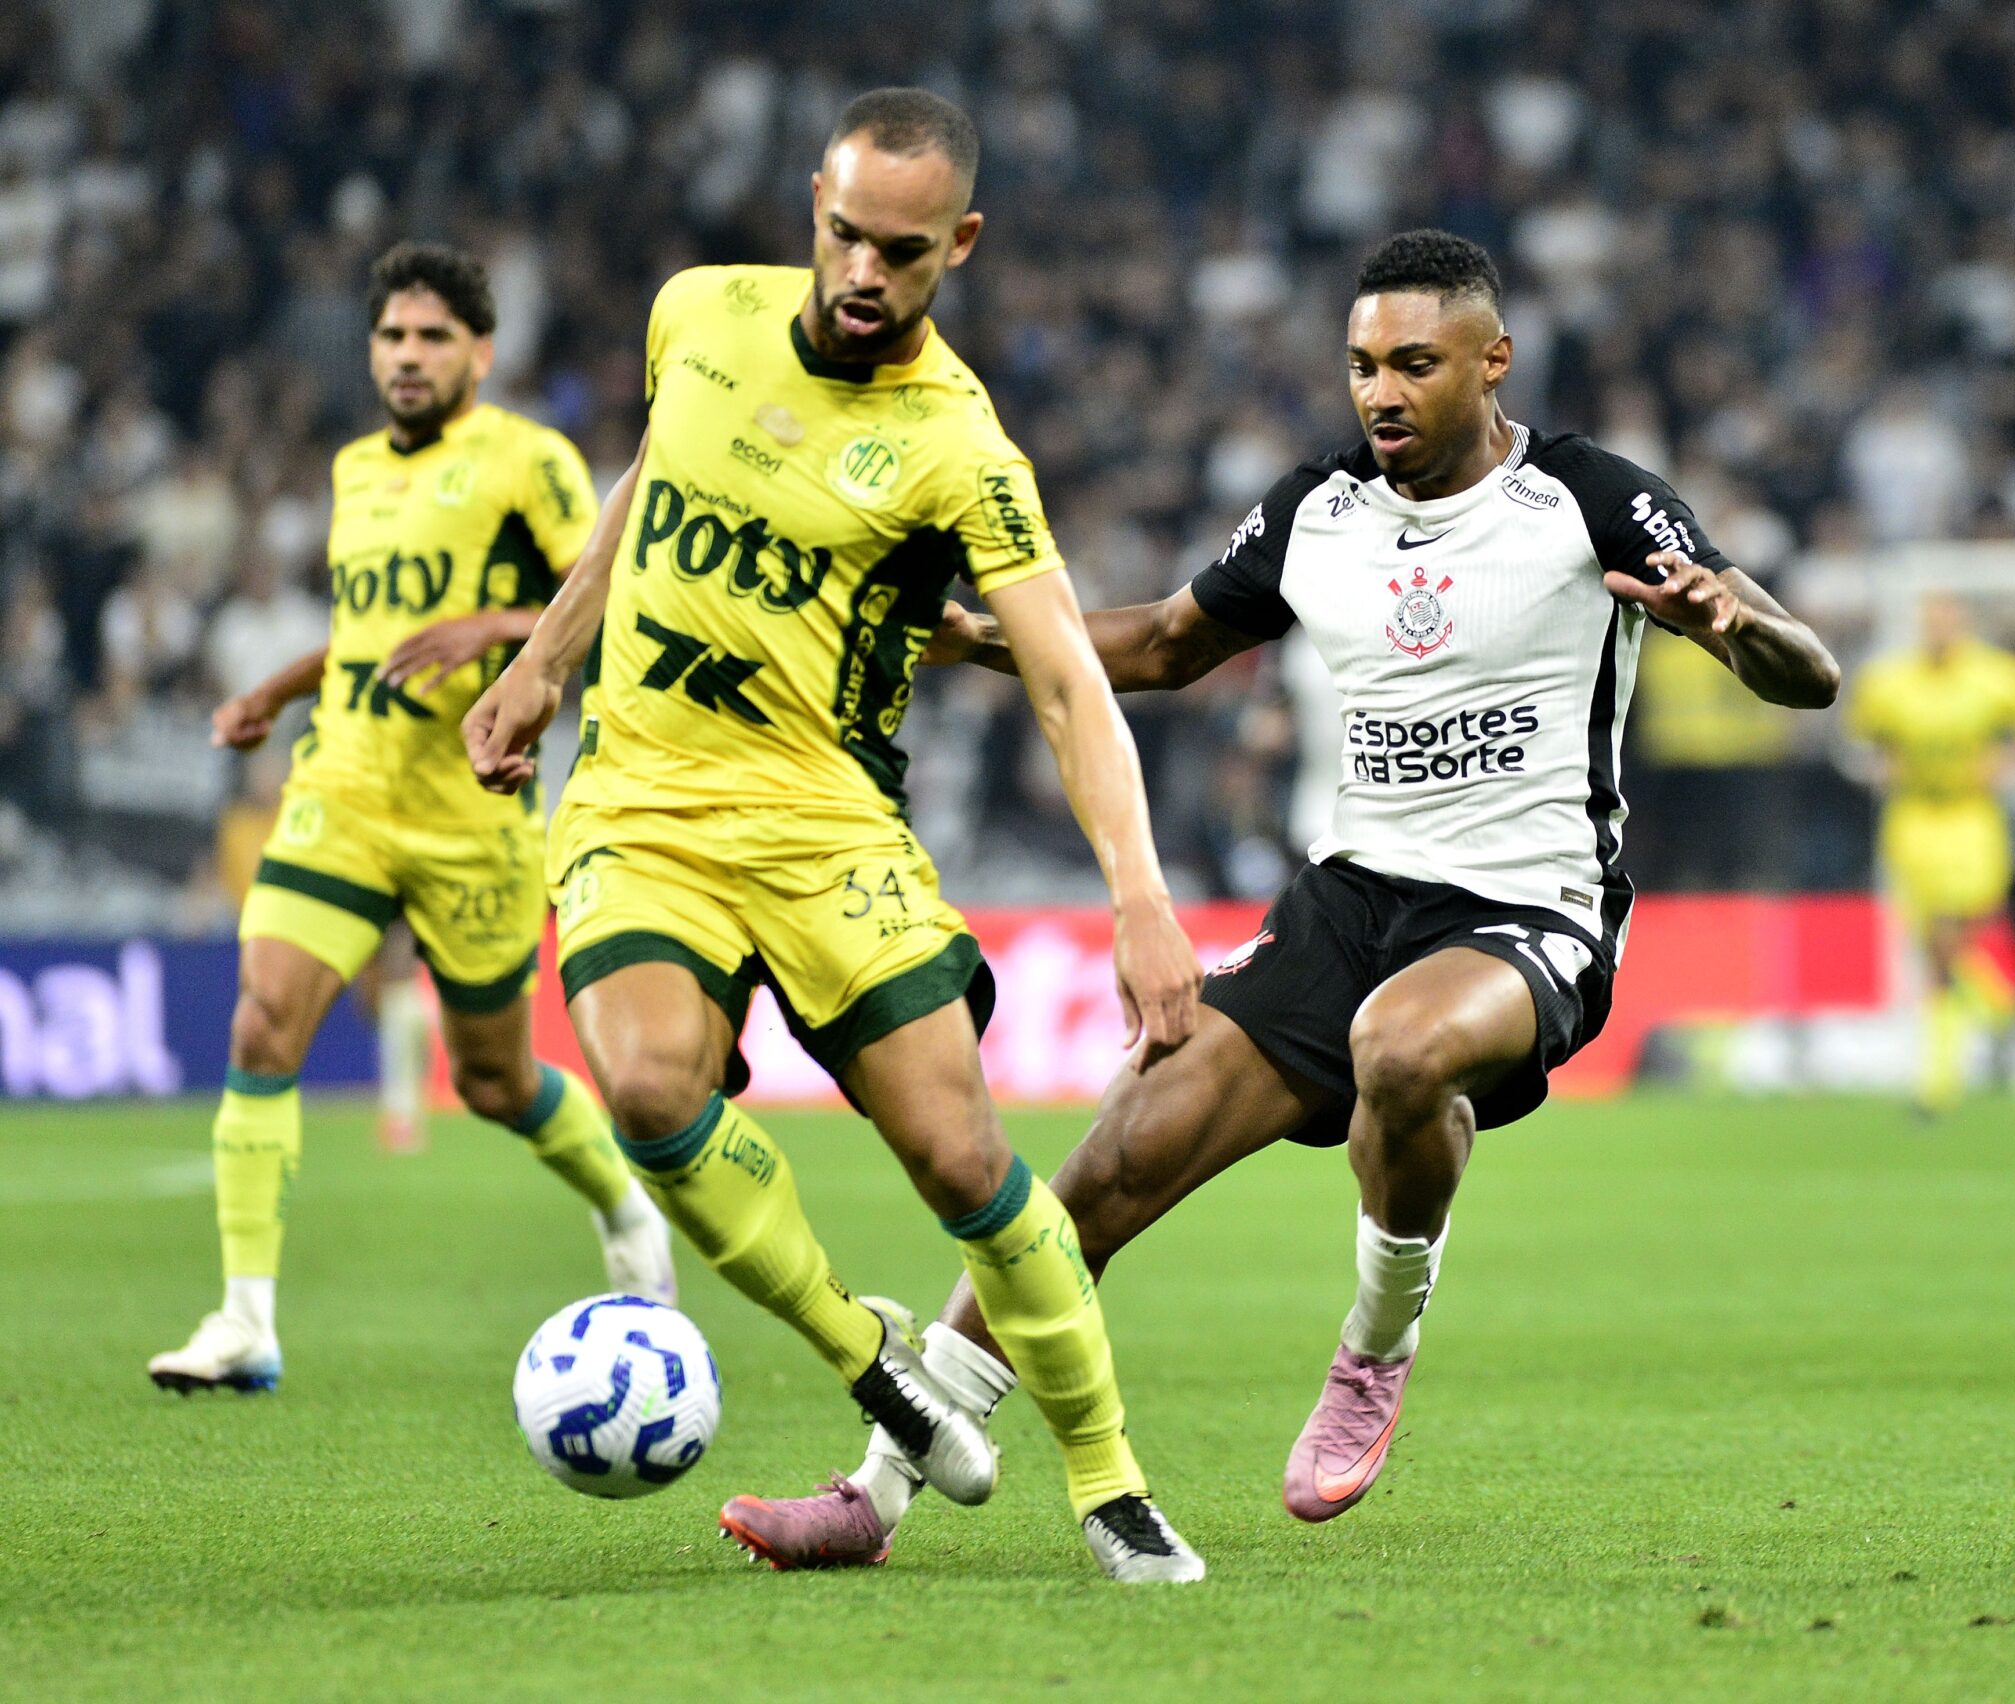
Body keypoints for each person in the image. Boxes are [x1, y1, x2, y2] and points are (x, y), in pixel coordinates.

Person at [836, 229, 1837, 1546]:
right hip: (1345, 905)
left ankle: (1375, 1344)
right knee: (1112, 1161)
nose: (1380, 392)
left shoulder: (1593, 499)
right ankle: (874, 1492)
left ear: (1494, 363)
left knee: (1402, 1050)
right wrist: (971, 633)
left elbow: (1807, 672)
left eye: (1415, 365)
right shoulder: (1319, 507)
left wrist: (1736, 624)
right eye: (1363, 364)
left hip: (1528, 911)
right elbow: (1168, 641)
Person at [463, 89, 1205, 1583]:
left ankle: (1111, 1484)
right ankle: (871, 1356)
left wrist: (1139, 895)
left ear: (964, 244)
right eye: (846, 235)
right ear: (815, 204)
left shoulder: (960, 447)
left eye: (906, 252)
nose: (867, 273)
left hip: (825, 819)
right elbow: (651, 479)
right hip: (644, 798)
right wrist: (546, 658)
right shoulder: (699, 313)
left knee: (961, 1159)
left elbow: (1066, 676)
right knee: (650, 1086)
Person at [149, 242, 673, 1396]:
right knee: (260, 1029)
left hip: (468, 814)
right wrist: (277, 693)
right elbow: (372, 633)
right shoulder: (350, 474)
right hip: (340, 791)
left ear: (480, 353)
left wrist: (492, 629)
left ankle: (625, 1204)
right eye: (392, 336)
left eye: (434, 337)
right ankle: (244, 1320)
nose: (408, 356)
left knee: (491, 1081)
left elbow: (608, 598)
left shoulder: (527, 460)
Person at [1845, 594, 2015, 1115]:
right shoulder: (1888, 682)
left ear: (1964, 624)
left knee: (1946, 944)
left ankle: (1967, 1055)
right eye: (1931, 620)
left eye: (1949, 620)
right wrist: (1881, 766)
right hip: (1913, 819)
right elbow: (1858, 744)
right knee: (1937, 958)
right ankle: (1961, 1062)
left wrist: (2006, 763)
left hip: (1971, 820)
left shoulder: (1999, 677)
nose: (1939, 629)